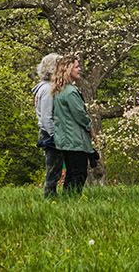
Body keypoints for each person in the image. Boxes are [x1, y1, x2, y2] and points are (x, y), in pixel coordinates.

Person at [49, 56, 96, 197]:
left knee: (71, 172)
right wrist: (89, 126)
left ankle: (67, 201)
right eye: (76, 66)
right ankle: (72, 200)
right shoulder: (70, 92)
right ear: (68, 69)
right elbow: (80, 115)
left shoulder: (59, 91)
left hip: (65, 140)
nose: (80, 69)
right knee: (79, 173)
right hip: (74, 140)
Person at [33, 52, 64, 197]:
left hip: (49, 131)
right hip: (49, 133)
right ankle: (50, 194)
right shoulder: (46, 90)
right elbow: (46, 117)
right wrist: (54, 135)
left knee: (57, 165)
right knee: (53, 165)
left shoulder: (45, 87)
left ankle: (52, 193)